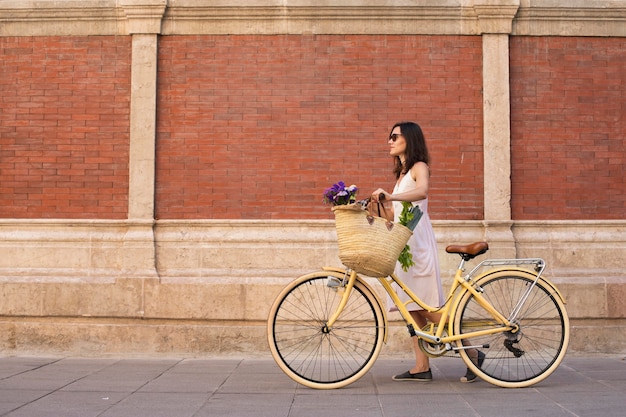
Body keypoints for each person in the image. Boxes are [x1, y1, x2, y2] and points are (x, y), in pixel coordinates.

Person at [371, 121, 483, 382]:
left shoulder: (419, 167)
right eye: (389, 136)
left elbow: (422, 192)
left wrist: (391, 197)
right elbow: (395, 212)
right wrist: (375, 208)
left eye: (395, 136)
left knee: (427, 305)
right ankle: (422, 366)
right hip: (403, 242)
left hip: (417, 242)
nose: (389, 140)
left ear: (409, 139)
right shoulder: (400, 175)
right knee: (409, 305)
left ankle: (473, 352)